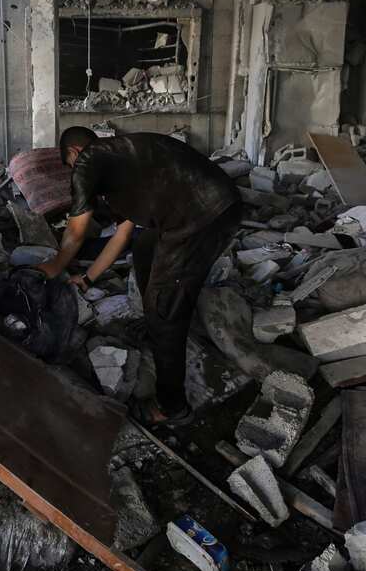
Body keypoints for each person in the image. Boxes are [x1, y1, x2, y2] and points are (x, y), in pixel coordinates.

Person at [38, 126, 241, 425]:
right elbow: (122, 236)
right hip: (212, 205)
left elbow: (76, 231)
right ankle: (155, 321)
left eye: (70, 166)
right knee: (146, 246)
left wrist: (52, 267)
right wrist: (88, 278)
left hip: (201, 216)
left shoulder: (88, 159)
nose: (74, 173)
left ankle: (172, 407)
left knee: (165, 305)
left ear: (74, 152)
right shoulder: (123, 163)